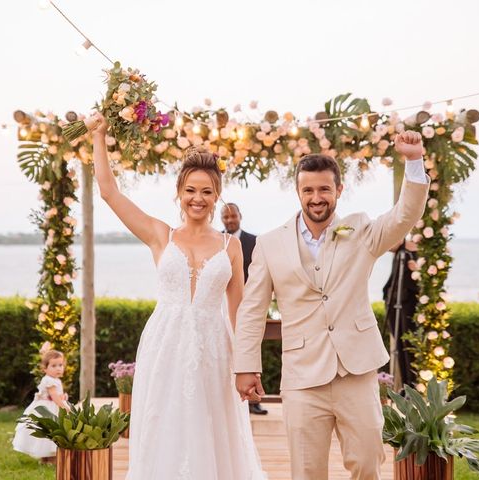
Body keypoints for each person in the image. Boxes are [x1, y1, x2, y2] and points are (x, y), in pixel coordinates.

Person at [233, 131, 429, 480]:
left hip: (357, 370)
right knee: (307, 471)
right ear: (298, 193)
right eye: (308, 190)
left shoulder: (362, 231)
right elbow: (251, 309)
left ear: (339, 191)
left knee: (368, 463)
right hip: (303, 377)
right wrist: (246, 365)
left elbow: (404, 215)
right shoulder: (269, 243)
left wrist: (414, 161)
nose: (316, 197)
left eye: (324, 189)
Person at [90, 112, 265, 480]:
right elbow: (109, 192)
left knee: (211, 430)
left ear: (217, 196)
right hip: (164, 346)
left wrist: (248, 366)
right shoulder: (159, 234)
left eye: (206, 191)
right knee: (165, 427)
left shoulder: (231, 247)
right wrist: (98, 136)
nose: (197, 199)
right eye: (190, 190)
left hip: (214, 349)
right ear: (179, 193)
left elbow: (240, 311)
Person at [221, 203, 268, 415]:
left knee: (250, 347)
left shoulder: (254, 241)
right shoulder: (216, 240)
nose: (229, 220)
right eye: (226, 216)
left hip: (250, 303)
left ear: (240, 216)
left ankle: (254, 400)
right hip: (221, 304)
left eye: (233, 216)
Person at [13, 349, 68, 462]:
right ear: (45, 369)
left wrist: (63, 397)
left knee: (52, 431)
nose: (58, 368)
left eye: (60, 365)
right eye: (54, 366)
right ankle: (49, 457)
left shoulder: (55, 380)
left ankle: (48, 457)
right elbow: (53, 396)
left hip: (52, 405)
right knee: (49, 431)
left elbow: (57, 395)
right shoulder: (48, 380)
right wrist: (64, 406)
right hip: (47, 409)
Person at [382, 238, 419, 390]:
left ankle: (412, 386)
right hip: (394, 305)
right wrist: (386, 295)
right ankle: (405, 386)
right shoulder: (399, 253)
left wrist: (414, 268)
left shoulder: (412, 253)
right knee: (398, 346)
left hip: (408, 305)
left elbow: (415, 285)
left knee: (408, 347)